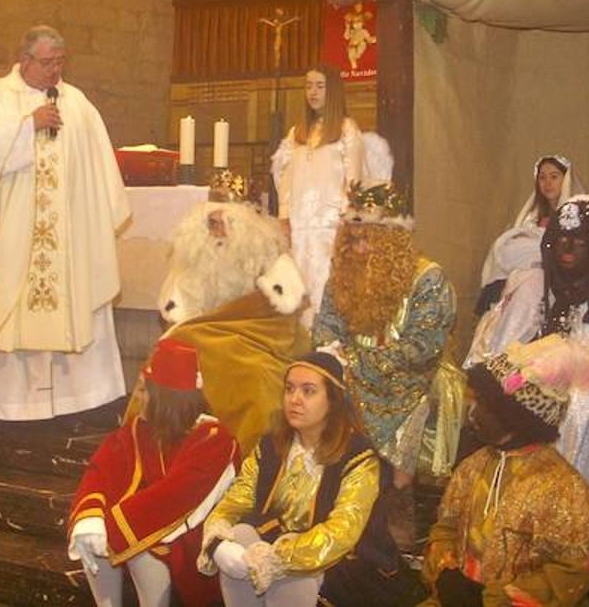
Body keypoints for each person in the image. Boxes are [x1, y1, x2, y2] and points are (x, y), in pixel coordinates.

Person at [468, 194, 589, 585]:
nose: (568, 250)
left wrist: (553, 420)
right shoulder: (548, 288)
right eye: (561, 241)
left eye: (579, 241)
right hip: (553, 402)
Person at [0, 25, 130, 420]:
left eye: (60, 62)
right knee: (7, 308)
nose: (55, 71)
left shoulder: (78, 104)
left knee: (74, 304)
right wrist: (26, 126)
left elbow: (99, 168)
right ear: (26, 59)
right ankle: (8, 407)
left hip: (68, 241)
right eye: (48, 63)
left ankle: (78, 402)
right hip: (13, 240)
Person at [197, 350, 414, 607]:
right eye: (289, 389)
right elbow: (238, 497)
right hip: (278, 542)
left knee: (295, 575)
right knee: (240, 534)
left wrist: (276, 558)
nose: (295, 399)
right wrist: (219, 539)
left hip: (345, 560)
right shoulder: (272, 444)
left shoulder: (358, 455)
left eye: (308, 391)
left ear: (332, 400)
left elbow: (341, 533)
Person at [312, 182, 456, 547]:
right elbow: (326, 324)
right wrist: (333, 352)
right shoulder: (344, 274)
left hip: (410, 376)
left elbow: (423, 346)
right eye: (354, 239)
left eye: (369, 240)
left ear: (391, 240)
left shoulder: (428, 277)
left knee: (405, 408)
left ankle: (396, 507)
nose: (359, 249)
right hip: (353, 369)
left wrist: (357, 362)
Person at [423, 335, 589, 607]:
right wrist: (446, 570)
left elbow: (569, 573)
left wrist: (498, 599)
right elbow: (445, 529)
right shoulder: (472, 467)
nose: (472, 413)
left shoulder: (561, 486)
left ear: (513, 419)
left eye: (483, 405)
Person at [69, 340, 239, 607]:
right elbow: (101, 470)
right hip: (150, 527)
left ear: (165, 398)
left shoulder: (215, 438)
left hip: (192, 538)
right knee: (92, 535)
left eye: (143, 391)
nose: (138, 398)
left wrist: (111, 529)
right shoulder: (142, 429)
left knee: (141, 548)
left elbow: (173, 498)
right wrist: (88, 519)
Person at [152, 201, 311, 451]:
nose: (217, 231)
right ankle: (168, 449)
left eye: (224, 223)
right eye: (210, 224)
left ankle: (251, 459)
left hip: (254, 342)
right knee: (165, 363)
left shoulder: (266, 257)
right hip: (199, 344)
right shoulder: (191, 262)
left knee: (258, 379)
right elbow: (176, 318)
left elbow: (284, 308)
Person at [271, 63, 364, 313]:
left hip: (330, 226)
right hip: (300, 225)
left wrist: (348, 222)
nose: (313, 92)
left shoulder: (346, 130)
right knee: (298, 286)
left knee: (325, 287)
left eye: (320, 86)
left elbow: (354, 181)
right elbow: (285, 177)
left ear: (332, 90)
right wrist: (284, 216)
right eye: (309, 86)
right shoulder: (297, 133)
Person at [477, 155, 583, 313]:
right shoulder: (532, 216)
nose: (547, 183)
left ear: (565, 179)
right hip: (520, 276)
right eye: (542, 178)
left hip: (551, 279)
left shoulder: (576, 216)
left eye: (554, 177)